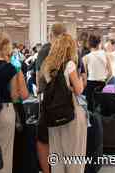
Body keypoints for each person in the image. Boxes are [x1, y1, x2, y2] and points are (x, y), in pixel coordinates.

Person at [0, 33, 29, 173]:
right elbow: (17, 96)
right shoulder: (10, 68)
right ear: (6, 46)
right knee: (4, 154)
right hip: (5, 111)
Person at [40, 33, 87, 173]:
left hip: (52, 114)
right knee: (74, 155)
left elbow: (42, 85)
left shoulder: (47, 66)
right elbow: (78, 90)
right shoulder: (70, 64)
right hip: (70, 112)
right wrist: (82, 81)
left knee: (56, 154)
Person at [35, 24, 66, 173]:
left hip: (50, 100)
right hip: (69, 102)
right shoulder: (72, 51)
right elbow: (81, 80)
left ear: (51, 35)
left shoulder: (45, 50)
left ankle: (47, 171)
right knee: (64, 139)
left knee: (43, 138)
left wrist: (39, 90)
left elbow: (39, 78)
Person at [83, 34, 112, 112]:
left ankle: (92, 123)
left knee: (91, 109)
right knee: (102, 109)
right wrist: (105, 80)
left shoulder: (86, 58)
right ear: (100, 43)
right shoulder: (106, 55)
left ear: (89, 44)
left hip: (90, 85)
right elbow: (111, 73)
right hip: (102, 84)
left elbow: (84, 78)